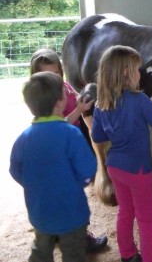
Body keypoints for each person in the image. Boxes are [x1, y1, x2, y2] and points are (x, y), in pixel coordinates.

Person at [91, 45, 152, 262]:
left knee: (125, 212)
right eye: (137, 69)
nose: (141, 74)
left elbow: (99, 137)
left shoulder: (100, 104)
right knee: (147, 219)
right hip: (138, 169)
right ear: (125, 72)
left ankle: (128, 254)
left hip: (115, 166)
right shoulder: (138, 100)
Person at [9, 71, 97, 262]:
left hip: (39, 212)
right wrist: (77, 183)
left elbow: (15, 170)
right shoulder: (71, 134)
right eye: (65, 92)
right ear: (59, 102)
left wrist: (33, 184)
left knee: (41, 250)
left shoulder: (23, 138)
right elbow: (88, 170)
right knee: (73, 254)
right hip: (72, 213)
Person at [29, 48, 108, 253]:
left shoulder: (63, 88)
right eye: (44, 75)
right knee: (71, 201)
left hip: (70, 149)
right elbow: (57, 124)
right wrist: (79, 111)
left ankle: (60, 234)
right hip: (62, 152)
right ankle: (79, 238)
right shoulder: (43, 98)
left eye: (55, 74)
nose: (51, 80)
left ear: (61, 73)